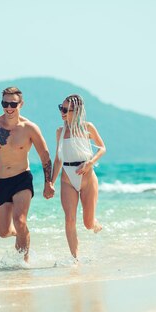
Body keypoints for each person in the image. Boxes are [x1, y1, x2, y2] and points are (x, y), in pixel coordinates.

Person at [0, 86, 55, 263]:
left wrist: (48, 182)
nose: (9, 107)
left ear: (21, 104)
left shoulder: (29, 128)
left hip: (22, 179)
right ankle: (21, 234)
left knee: (20, 220)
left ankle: (23, 263)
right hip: (1, 182)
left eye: (13, 103)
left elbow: (45, 155)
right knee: (4, 232)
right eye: (5, 103)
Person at [50, 94, 106, 262]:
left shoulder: (87, 127)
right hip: (67, 178)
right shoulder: (60, 131)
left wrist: (90, 163)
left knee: (88, 224)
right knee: (69, 219)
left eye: (66, 109)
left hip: (87, 177)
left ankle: (95, 224)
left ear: (77, 111)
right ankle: (76, 260)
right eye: (62, 108)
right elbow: (58, 159)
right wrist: (50, 183)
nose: (63, 112)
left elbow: (102, 148)